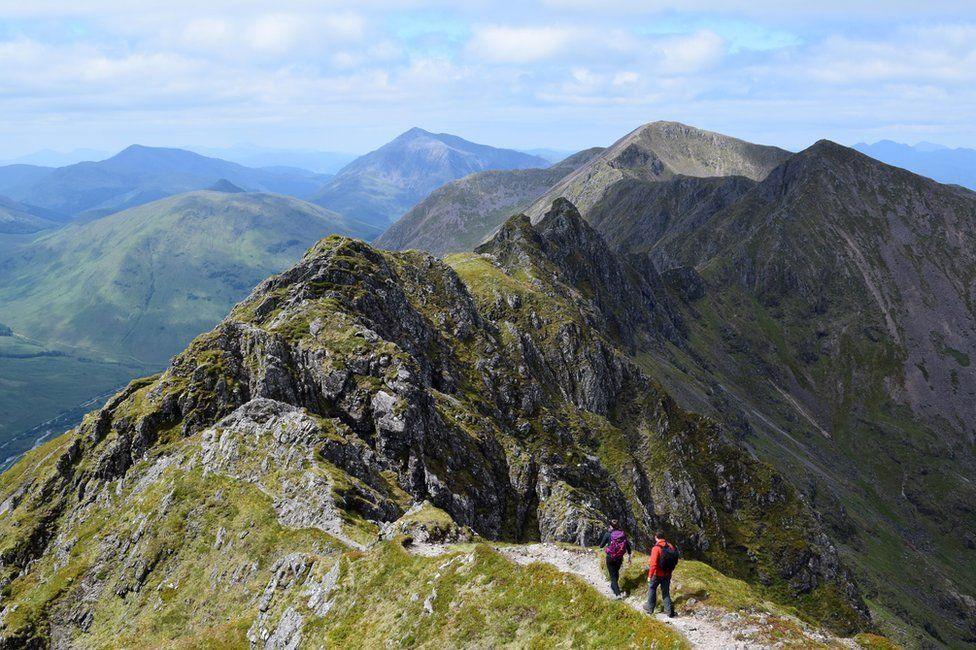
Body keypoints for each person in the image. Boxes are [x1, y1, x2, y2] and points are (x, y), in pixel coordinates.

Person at [645, 531, 679, 617]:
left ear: (656, 537)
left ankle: (650, 608)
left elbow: (653, 564)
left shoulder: (656, 548)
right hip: (667, 574)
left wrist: (650, 576)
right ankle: (669, 611)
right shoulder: (670, 546)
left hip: (657, 574)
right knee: (665, 592)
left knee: (652, 588)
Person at [598, 519, 632, 599]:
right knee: (616, 573)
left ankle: (617, 594)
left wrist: (605, 544)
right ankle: (614, 587)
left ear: (610, 526)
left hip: (610, 557)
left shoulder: (608, 534)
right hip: (619, 558)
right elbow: (627, 546)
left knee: (612, 576)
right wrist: (629, 555)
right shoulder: (622, 534)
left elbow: (601, 545)